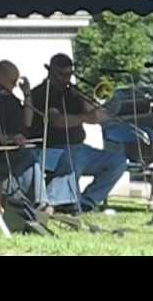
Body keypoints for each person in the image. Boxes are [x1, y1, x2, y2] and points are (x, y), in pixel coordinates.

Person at [30, 53, 128, 213]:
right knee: (71, 157)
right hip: (51, 149)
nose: (65, 79)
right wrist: (86, 117)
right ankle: (57, 202)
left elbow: (96, 115)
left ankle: (87, 202)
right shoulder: (42, 93)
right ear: (50, 71)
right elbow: (57, 120)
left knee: (118, 162)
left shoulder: (72, 93)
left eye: (69, 74)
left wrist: (85, 99)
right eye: (61, 74)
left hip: (78, 148)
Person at [0, 60, 52, 212]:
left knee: (31, 160)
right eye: (13, 81)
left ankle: (40, 203)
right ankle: (38, 202)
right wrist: (8, 138)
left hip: (10, 150)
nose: (15, 85)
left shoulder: (11, 98)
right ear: (0, 78)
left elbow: (27, 122)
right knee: (29, 159)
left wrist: (27, 94)